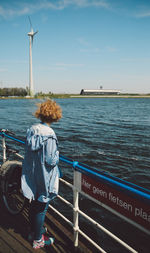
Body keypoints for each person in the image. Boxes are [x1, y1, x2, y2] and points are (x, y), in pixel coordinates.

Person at [21, 99, 62, 249]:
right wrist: (58, 154)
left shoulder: (32, 129)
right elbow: (51, 160)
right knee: (41, 206)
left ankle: (34, 231)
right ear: (55, 116)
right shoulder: (50, 134)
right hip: (44, 176)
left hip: (32, 173)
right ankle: (38, 240)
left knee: (34, 204)